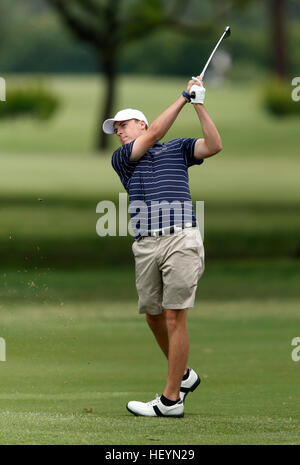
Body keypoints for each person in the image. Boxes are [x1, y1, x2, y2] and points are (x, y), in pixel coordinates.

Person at [102, 76, 222, 418]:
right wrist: (182, 97)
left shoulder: (178, 148)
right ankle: (184, 375)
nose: (120, 132)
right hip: (146, 244)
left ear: (139, 122)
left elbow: (214, 145)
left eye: (124, 125)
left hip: (181, 237)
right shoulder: (124, 158)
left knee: (173, 316)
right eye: (116, 129)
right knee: (153, 316)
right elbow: (155, 133)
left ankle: (171, 401)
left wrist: (198, 103)